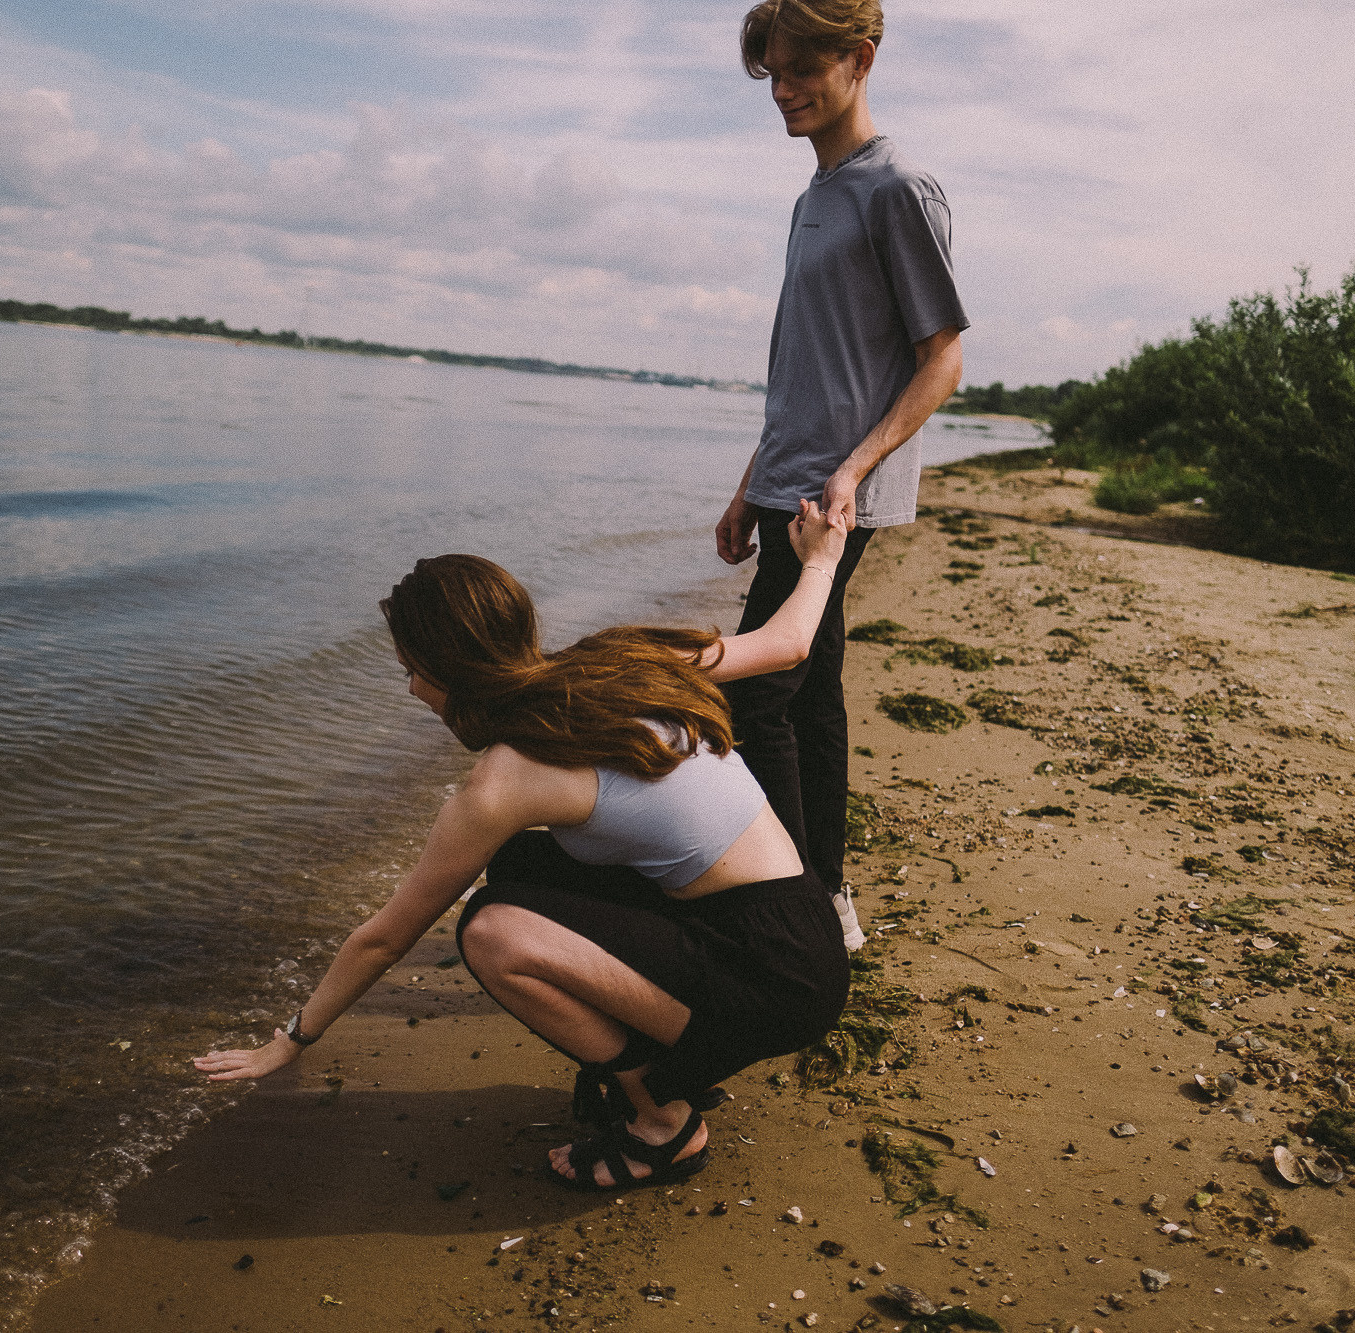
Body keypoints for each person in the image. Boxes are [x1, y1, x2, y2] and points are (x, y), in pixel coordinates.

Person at [196, 504, 853, 1192]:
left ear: (445, 670)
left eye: (411, 670)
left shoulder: (503, 783)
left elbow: (385, 939)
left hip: (775, 978)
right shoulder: (621, 658)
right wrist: (821, 558)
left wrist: (289, 1041)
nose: (410, 688)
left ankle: (664, 1123)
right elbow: (788, 643)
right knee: (521, 868)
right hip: (804, 924)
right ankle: (675, 1051)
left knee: (491, 930)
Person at [717, 0, 969, 938]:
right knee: (811, 689)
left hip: (833, 500)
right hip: (790, 482)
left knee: (754, 693)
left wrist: (853, 471)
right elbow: (805, 368)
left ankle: (786, 901)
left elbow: (940, 357)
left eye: (799, 72)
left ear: (858, 59)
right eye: (771, 76)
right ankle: (824, 894)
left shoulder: (898, 188)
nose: (781, 92)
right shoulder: (813, 196)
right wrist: (751, 480)